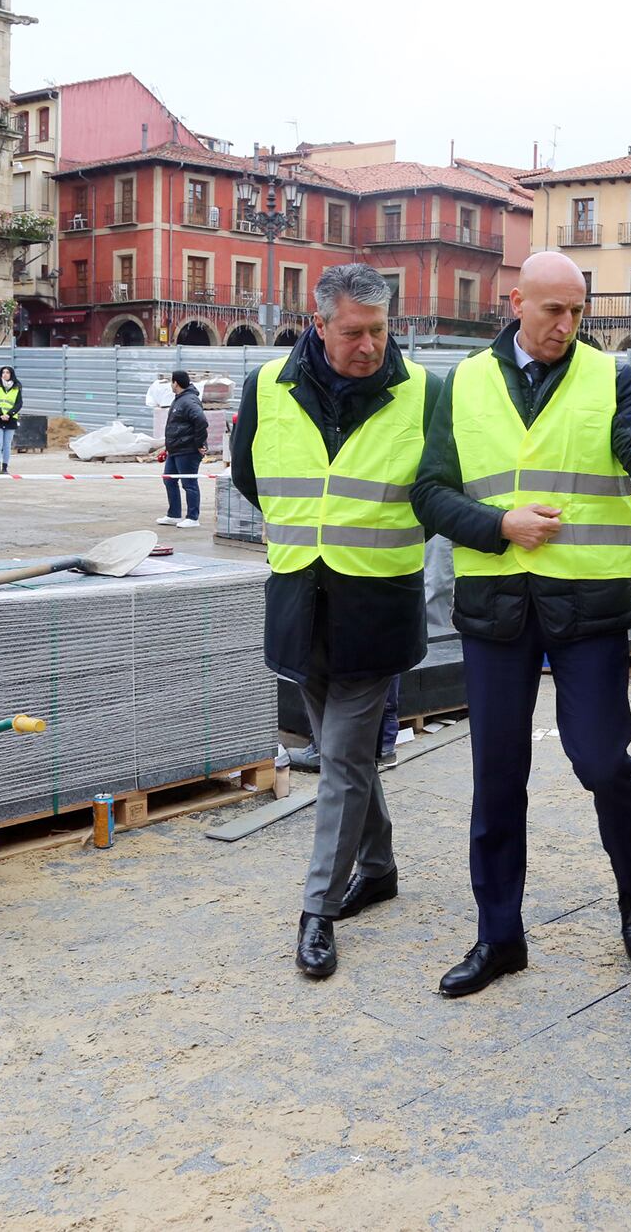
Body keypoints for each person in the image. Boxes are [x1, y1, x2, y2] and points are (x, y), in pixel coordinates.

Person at [413, 250, 631, 997]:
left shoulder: (608, 375)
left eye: (579, 311)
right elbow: (429, 491)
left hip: (585, 607)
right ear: (516, 302)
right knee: (497, 777)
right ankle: (498, 935)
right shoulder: (463, 384)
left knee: (602, 761)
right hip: (495, 609)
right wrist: (497, 523)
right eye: (554, 310)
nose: (567, 325)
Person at [231, 264, 439, 979]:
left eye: (380, 329)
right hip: (299, 598)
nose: (370, 345)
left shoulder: (423, 392)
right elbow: (248, 477)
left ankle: (316, 910)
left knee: (342, 758)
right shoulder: (267, 387)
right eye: (354, 331)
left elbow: (438, 486)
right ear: (319, 324)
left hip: (377, 605)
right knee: (347, 755)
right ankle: (376, 866)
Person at [158, 370, 207, 528]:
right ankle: (173, 514)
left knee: (189, 483)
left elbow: (201, 420)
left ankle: (193, 518)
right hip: (175, 450)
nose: (171, 385)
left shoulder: (189, 401)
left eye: (171, 383)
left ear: (175, 383)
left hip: (188, 450)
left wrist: (199, 444)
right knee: (169, 480)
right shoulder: (179, 399)